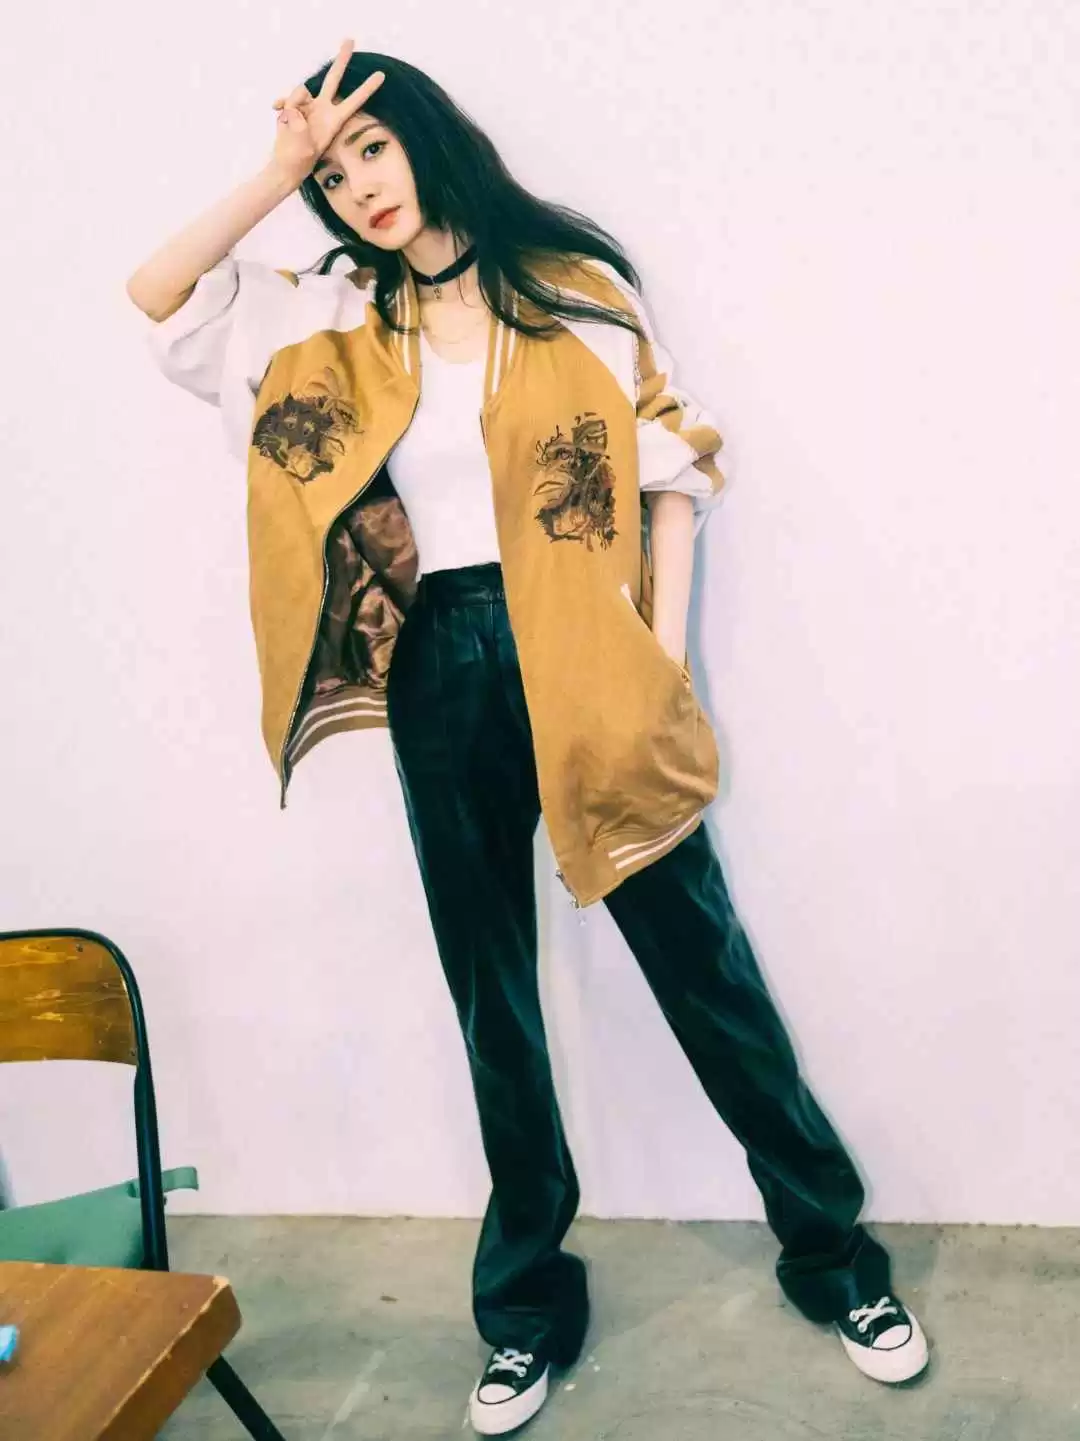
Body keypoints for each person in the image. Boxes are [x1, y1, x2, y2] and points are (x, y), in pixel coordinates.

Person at [127, 39, 930, 1435]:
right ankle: (524, 1309)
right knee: (489, 993)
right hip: (440, 662)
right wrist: (274, 167)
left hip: (586, 650)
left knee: (702, 970)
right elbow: (159, 295)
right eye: (333, 173)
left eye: (373, 149)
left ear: (426, 137)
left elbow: (673, 473)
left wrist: (661, 662)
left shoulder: (571, 291)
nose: (359, 187)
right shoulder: (331, 312)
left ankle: (834, 1260)